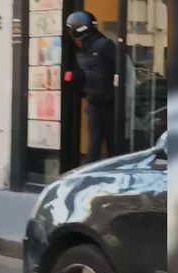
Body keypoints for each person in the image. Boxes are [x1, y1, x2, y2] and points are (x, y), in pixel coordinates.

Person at [64, 11, 117, 163]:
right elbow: (85, 76)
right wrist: (73, 77)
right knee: (97, 145)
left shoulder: (104, 46)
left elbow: (120, 70)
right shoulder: (81, 52)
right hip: (94, 104)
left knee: (109, 145)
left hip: (110, 104)